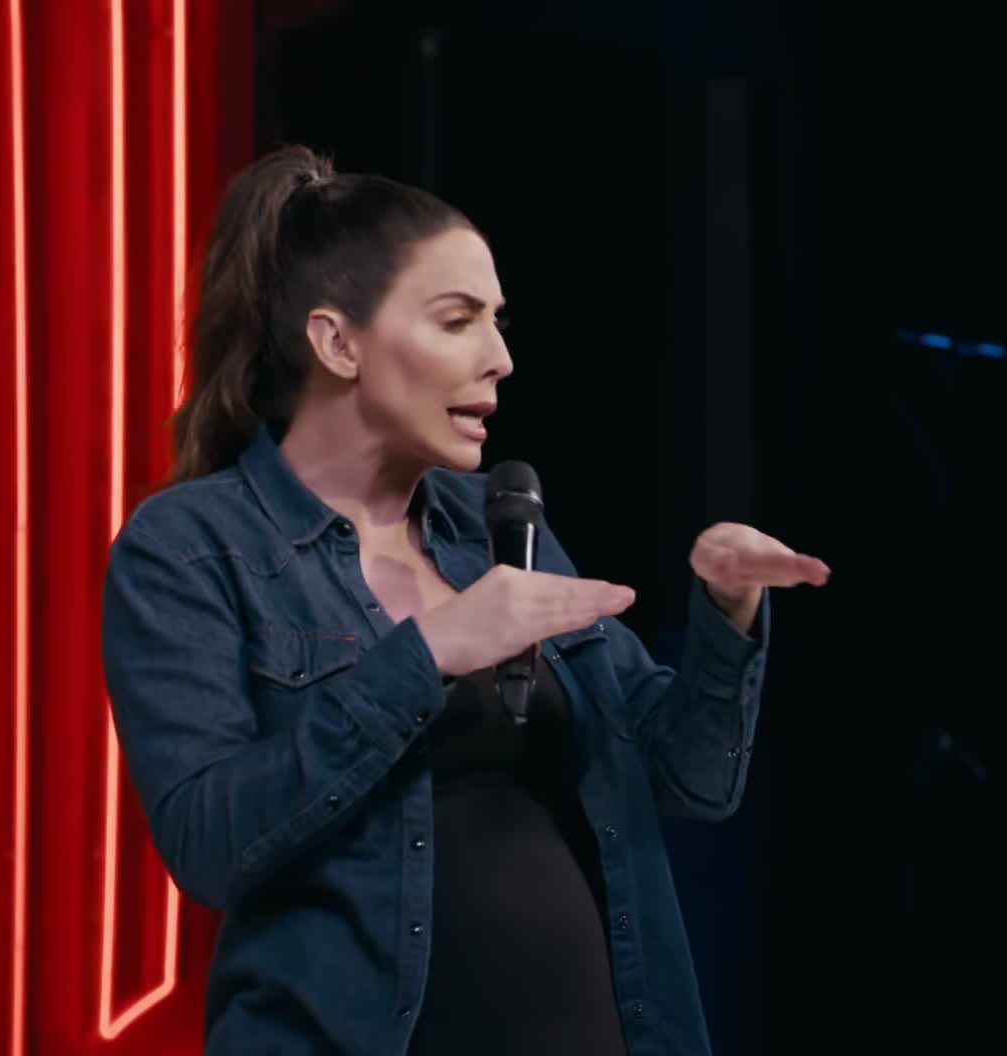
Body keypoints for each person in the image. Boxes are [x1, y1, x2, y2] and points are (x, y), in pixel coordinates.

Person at [99, 144, 829, 1055]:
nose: (501, 359)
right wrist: (427, 654)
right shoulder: (191, 547)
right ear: (337, 343)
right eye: (458, 321)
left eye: (498, 321)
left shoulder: (494, 526)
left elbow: (691, 780)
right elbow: (211, 845)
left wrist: (729, 610)